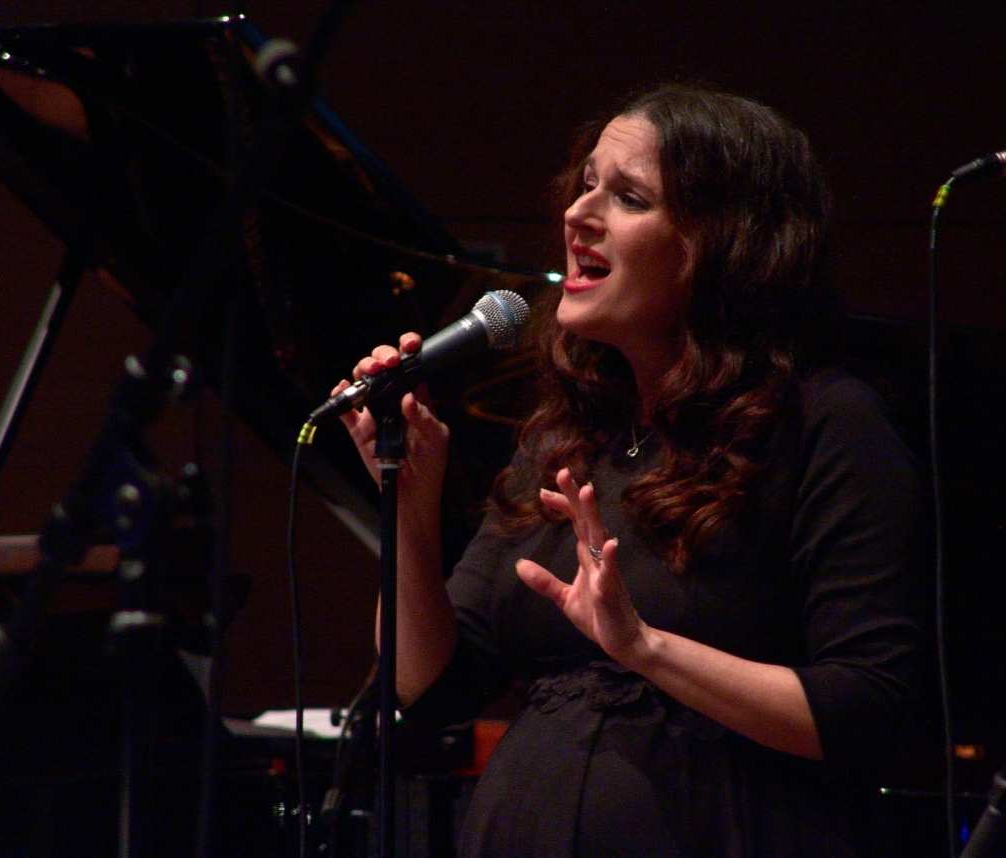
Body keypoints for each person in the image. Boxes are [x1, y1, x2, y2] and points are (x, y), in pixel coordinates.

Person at [333, 84, 925, 858]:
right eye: (586, 185)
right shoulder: (567, 438)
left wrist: (643, 646)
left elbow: (874, 710)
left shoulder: (826, 424)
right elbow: (430, 685)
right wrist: (408, 505)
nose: (579, 214)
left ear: (723, 246)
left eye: (629, 197)